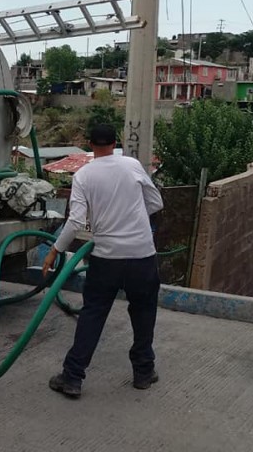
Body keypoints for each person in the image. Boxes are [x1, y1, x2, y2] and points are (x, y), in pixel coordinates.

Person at [42, 123, 164, 398]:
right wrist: (131, 217)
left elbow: (74, 222)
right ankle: (144, 373)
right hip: (142, 255)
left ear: (90, 144)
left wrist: (55, 251)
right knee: (144, 312)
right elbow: (156, 203)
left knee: (93, 314)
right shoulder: (132, 166)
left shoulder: (83, 175)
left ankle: (73, 377)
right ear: (115, 142)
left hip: (107, 258)